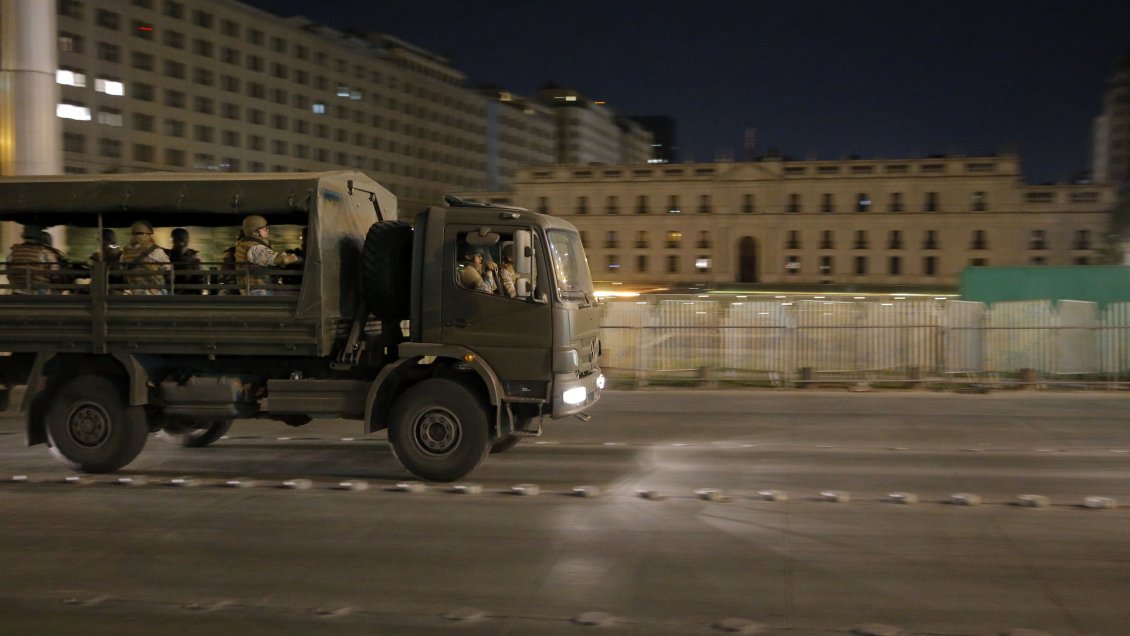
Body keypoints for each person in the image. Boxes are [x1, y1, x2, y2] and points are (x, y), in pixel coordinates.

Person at [234, 215, 300, 295]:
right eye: (265, 228)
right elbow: (283, 260)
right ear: (255, 232)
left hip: (254, 290)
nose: (268, 230)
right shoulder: (255, 249)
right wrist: (297, 258)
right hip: (260, 292)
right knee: (299, 293)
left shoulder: (244, 245)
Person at [119, 220, 171, 295]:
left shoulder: (125, 252)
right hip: (155, 293)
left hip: (133, 293)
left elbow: (122, 270)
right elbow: (168, 270)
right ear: (146, 234)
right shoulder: (156, 251)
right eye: (149, 235)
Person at [6, 223, 59, 294]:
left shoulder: (13, 252)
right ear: (39, 236)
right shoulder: (44, 252)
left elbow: (8, 271)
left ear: (23, 236)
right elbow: (55, 273)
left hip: (17, 292)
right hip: (40, 293)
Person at [166, 227, 206, 295]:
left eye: (174, 239)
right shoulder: (171, 255)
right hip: (174, 292)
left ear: (181, 240)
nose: (172, 242)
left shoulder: (193, 258)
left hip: (188, 293)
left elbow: (200, 278)